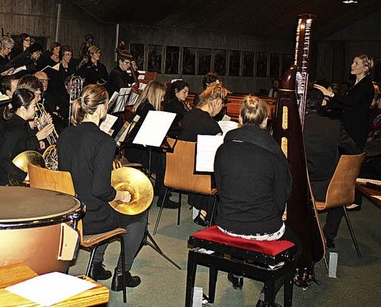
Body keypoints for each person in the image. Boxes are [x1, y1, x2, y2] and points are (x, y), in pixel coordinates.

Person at [57, 84, 148, 291]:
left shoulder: (66, 134)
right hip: (90, 218)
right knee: (137, 215)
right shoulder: (104, 141)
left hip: (70, 214)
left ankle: (96, 265)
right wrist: (121, 194)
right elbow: (100, 190)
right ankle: (122, 274)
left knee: (108, 206)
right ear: (102, 108)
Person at [214, 95, 299, 307]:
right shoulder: (274, 154)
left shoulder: (223, 149)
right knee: (296, 247)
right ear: (265, 121)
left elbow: (221, 189)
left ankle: (237, 272)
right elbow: (282, 198)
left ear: (240, 119)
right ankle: (265, 298)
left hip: (227, 225)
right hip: (264, 226)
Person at [315, 54, 375, 210]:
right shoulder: (355, 84)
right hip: (349, 127)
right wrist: (324, 104)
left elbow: (351, 103)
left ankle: (355, 200)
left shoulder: (366, 85)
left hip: (357, 129)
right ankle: (344, 195)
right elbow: (344, 106)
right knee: (344, 162)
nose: (352, 65)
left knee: (353, 163)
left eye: (356, 63)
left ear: (366, 67)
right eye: (352, 63)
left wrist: (331, 95)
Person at [304, 88, 359, 248]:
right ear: (322, 103)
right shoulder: (334, 125)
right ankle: (328, 235)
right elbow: (354, 152)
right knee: (342, 185)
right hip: (331, 190)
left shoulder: (297, 126)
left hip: (302, 190)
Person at [124, 81, 178, 208]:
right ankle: (162, 198)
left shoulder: (140, 106)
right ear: (156, 95)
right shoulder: (149, 109)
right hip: (139, 151)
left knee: (162, 158)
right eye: (162, 96)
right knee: (166, 162)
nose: (163, 99)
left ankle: (160, 191)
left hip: (132, 148)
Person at [180, 85, 228, 225]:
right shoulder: (211, 125)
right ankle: (210, 213)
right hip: (199, 177)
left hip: (181, 169)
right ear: (217, 101)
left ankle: (203, 211)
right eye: (222, 105)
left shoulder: (189, 115)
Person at [0, 89, 53, 186]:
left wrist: (37, 137)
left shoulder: (17, 122)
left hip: (13, 171)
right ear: (22, 109)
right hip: (7, 181)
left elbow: (20, 146)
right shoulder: (14, 129)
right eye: (34, 106)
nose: (36, 109)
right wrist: (25, 176)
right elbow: (2, 159)